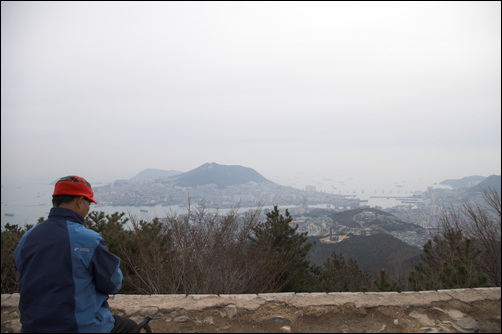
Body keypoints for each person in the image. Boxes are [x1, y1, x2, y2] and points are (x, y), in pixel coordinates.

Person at [14, 175, 139, 333]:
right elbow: (114, 283)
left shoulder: (27, 237)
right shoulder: (88, 240)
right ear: (80, 201)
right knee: (131, 327)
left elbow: (21, 270)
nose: (88, 208)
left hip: (33, 326)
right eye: (88, 203)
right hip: (80, 327)